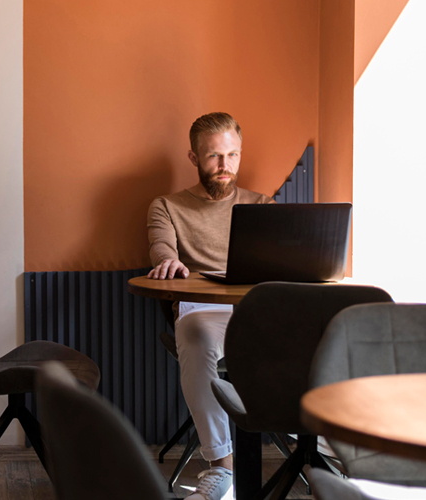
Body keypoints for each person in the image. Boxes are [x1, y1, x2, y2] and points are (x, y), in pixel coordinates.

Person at [146, 112, 273, 500]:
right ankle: (221, 466)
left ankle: (326, 453)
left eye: (232, 155)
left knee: (328, 325)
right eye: (215, 156)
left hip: (257, 311)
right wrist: (169, 261)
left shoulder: (261, 204)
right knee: (195, 333)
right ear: (194, 157)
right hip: (203, 311)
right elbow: (161, 247)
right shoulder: (167, 206)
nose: (224, 165)